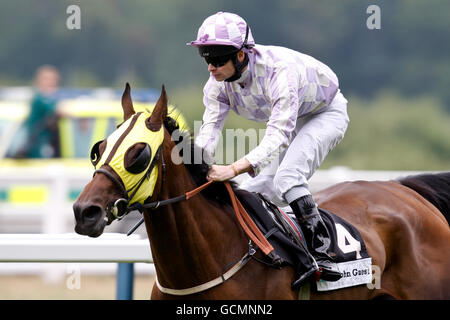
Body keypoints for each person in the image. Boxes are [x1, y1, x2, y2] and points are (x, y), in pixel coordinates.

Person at [187, 12, 350, 286]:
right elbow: (209, 132)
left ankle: (321, 255)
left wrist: (235, 167)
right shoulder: (216, 86)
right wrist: (193, 168)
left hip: (325, 114)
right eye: (206, 58)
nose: (210, 68)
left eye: (216, 59)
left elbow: (278, 135)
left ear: (241, 56)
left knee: (288, 176)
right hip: (294, 118)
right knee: (254, 190)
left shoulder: (279, 72)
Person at [15, 65, 62, 158]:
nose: (50, 82)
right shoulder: (39, 99)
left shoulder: (49, 99)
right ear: (39, 81)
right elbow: (60, 110)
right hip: (35, 146)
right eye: (47, 79)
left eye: (53, 80)